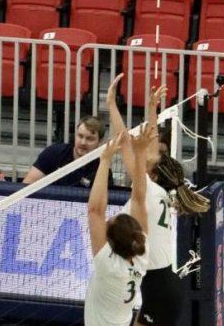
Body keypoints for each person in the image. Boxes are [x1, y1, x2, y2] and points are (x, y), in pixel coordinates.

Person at [108, 73, 209, 326]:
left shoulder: (149, 190)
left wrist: (111, 103)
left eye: (152, 161)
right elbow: (150, 143)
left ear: (152, 173)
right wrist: (152, 109)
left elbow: (125, 145)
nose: (149, 156)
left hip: (160, 292)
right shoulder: (162, 190)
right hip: (163, 287)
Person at [85, 124, 153, 326]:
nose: (107, 219)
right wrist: (140, 154)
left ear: (111, 243)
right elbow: (139, 199)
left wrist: (105, 161)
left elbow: (95, 210)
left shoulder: (111, 266)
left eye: (109, 222)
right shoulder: (140, 255)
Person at [23, 116, 112, 188]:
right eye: (80, 136)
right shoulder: (53, 153)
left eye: (90, 139)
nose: (83, 142)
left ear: (100, 141)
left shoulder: (102, 170)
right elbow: (27, 185)